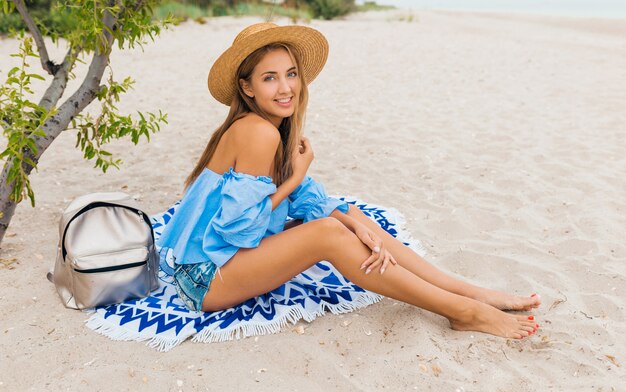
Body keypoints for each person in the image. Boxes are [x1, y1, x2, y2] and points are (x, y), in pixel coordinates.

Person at [158, 22, 541, 339]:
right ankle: (462, 311)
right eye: (269, 78)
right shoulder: (258, 133)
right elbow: (241, 229)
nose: (286, 88)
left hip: (223, 260)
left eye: (291, 74)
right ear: (247, 87)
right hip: (205, 277)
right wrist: (298, 176)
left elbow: (312, 203)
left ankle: (470, 292)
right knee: (329, 233)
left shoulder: (274, 129)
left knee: (347, 216)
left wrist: (357, 223)